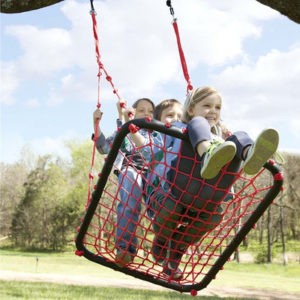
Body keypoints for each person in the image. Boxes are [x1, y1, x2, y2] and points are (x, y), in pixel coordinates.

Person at [146, 86, 279, 280]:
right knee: (171, 207)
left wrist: (222, 137)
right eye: (207, 105)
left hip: (207, 195)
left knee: (214, 216)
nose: (213, 111)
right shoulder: (176, 129)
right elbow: (148, 148)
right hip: (176, 188)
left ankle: (249, 154)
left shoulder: (222, 141)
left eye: (218, 108)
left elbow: (225, 139)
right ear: (190, 109)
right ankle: (205, 152)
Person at [93, 98, 155, 267]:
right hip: (130, 169)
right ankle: (125, 249)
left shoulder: (156, 133)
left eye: (151, 111)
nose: (147, 114)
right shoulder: (124, 131)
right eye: (142, 110)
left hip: (153, 172)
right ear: (133, 112)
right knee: (129, 205)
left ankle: (164, 251)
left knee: (159, 210)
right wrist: (96, 123)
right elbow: (104, 148)